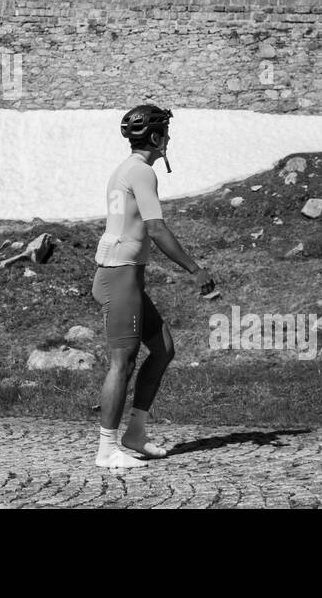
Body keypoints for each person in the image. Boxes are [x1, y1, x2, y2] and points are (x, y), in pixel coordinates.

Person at [92, 105, 211, 470]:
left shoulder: (125, 169)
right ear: (157, 138)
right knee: (121, 362)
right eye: (167, 134)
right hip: (120, 274)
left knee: (163, 349)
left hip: (122, 273)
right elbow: (156, 229)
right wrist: (195, 269)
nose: (168, 141)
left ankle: (135, 433)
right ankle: (107, 449)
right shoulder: (142, 172)